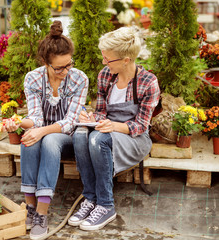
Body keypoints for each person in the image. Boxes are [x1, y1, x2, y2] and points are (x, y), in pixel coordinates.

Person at [68, 26, 160, 231]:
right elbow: (101, 112)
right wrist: (93, 117)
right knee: (81, 134)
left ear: (126, 59)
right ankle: (90, 199)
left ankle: (106, 205)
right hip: (107, 130)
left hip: (134, 138)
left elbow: (140, 126)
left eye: (108, 59)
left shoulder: (148, 82)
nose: (103, 62)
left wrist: (112, 126)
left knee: (98, 140)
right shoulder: (105, 76)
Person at [3, 20, 88, 239]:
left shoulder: (79, 79)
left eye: (69, 64)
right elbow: (35, 119)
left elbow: (70, 122)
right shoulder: (33, 79)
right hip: (44, 131)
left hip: (68, 138)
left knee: (48, 139)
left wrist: (41, 131)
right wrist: (18, 123)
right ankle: (30, 207)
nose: (65, 71)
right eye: (59, 67)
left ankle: (42, 213)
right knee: (29, 137)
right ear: (45, 62)